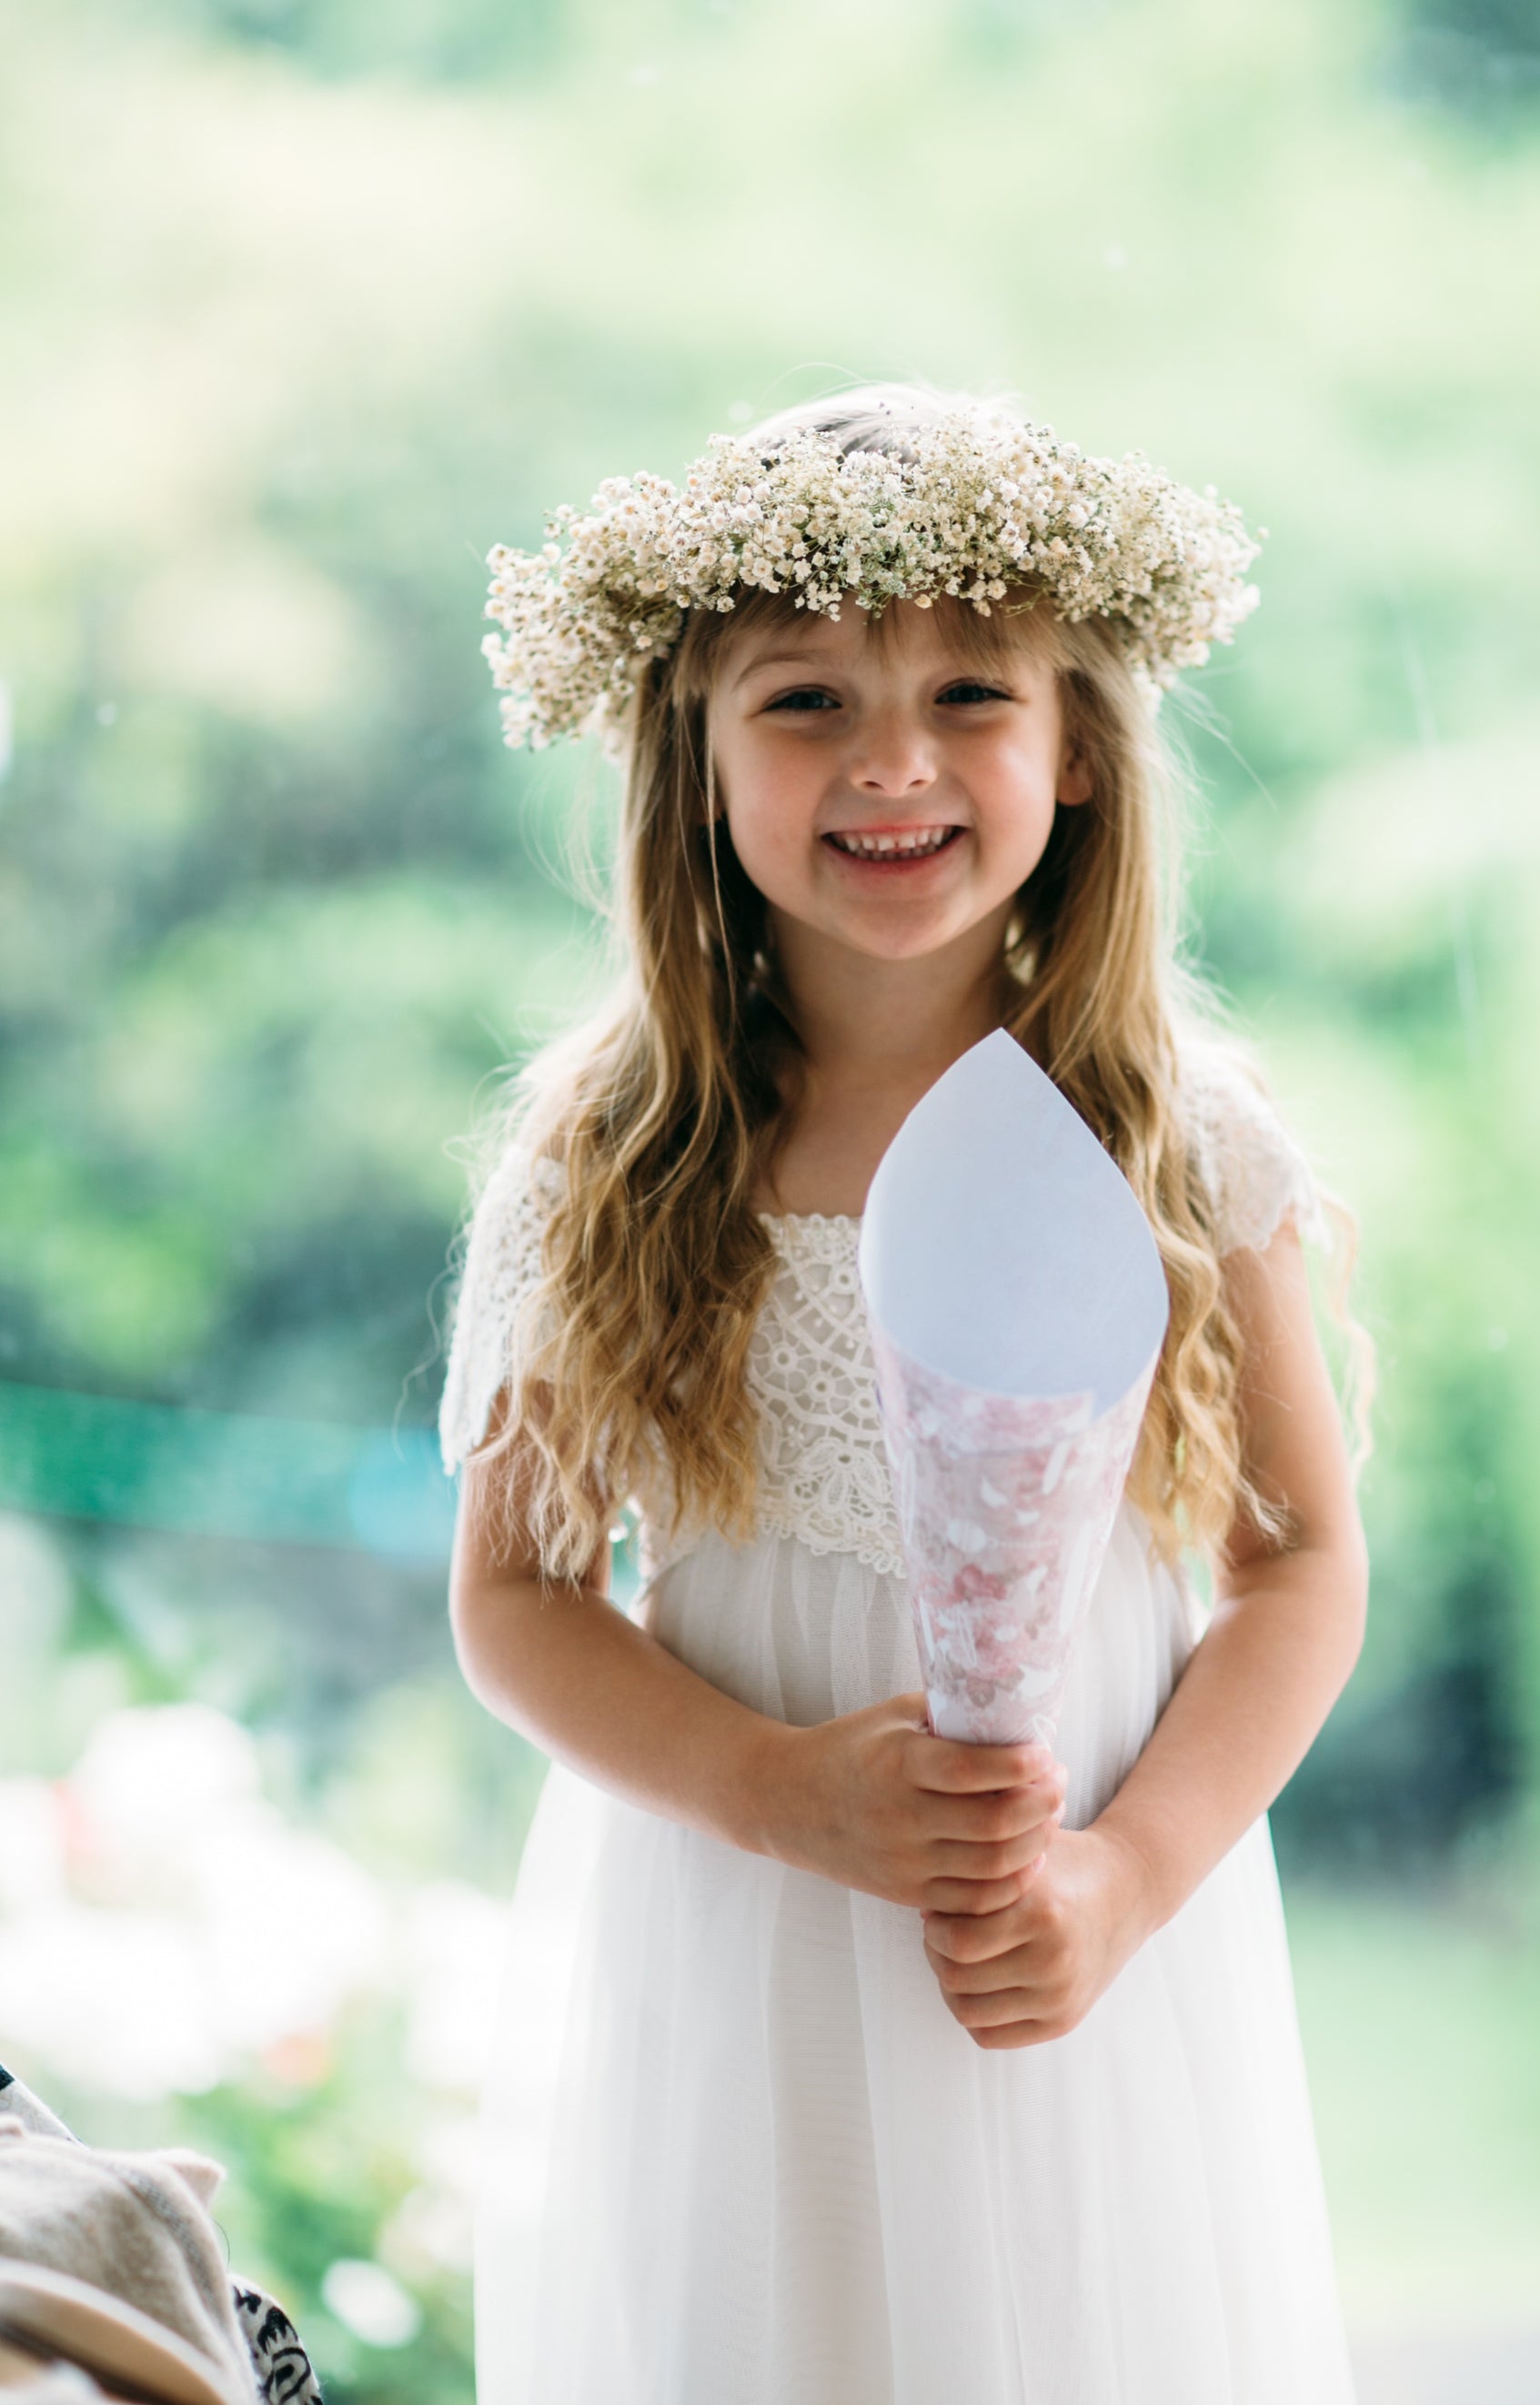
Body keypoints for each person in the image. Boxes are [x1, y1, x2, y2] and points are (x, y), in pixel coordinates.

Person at [440, 384, 1374, 2405]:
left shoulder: (1184, 1142)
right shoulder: (599, 1162)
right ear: (687, 764)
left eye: (968, 690)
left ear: (1082, 756)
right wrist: (780, 1789)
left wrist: (1121, 1877)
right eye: (800, 700)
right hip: (739, 1934)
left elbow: (1297, 1571)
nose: (891, 759)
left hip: (1086, 1937)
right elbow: (513, 1600)